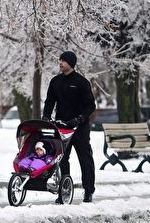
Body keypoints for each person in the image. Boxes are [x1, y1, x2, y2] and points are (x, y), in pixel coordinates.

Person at [42, 51, 96, 203]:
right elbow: (49, 102)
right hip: (61, 127)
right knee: (62, 160)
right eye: (59, 60)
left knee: (85, 158)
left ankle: (89, 190)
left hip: (79, 128)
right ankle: (64, 191)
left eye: (63, 61)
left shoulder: (82, 82)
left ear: (71, 63)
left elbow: (90, 105)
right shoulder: (55, 81)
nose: (60, 63)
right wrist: (46, 116)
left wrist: (80, 119)